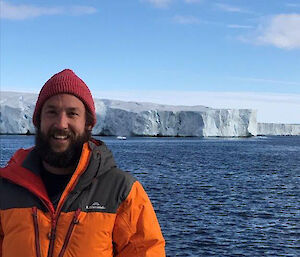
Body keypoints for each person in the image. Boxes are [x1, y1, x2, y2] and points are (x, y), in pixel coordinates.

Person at [0, 69, 165, 257]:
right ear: (38, 121)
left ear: (88, 124)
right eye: (52, 112)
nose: (61, 123)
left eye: (72, 114)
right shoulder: (5, 188)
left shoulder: (122, 191)